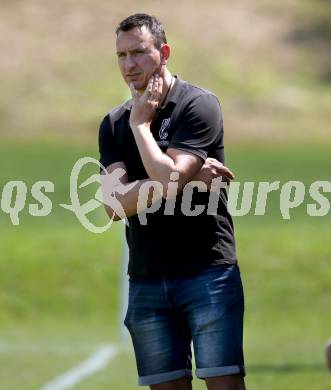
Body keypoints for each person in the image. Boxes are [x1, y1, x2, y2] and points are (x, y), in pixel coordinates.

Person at [99, 13, 246, 390]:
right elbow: (113, 206)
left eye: (138, 53)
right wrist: (189, 179)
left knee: (224, 385)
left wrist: (142, 127)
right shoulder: (114, 123)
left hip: (207, 273)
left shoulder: (197, 106)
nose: (129, 65)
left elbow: (168, 178)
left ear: (163, 52)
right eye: (121, 55)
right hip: (147, 279)